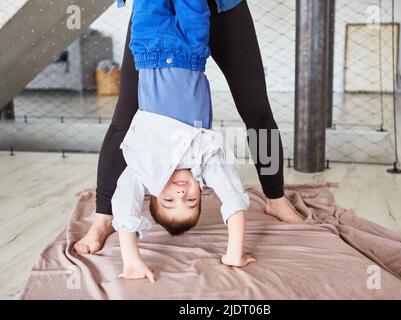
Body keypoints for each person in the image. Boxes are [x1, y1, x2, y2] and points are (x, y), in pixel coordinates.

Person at [74, 0, 303, 256]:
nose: (181, 194)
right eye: (188, 200)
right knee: (123, 120)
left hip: (223, 7)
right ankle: (103, 216)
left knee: (256, 111)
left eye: (171, 200)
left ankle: (275, 198)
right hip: (157, 25)